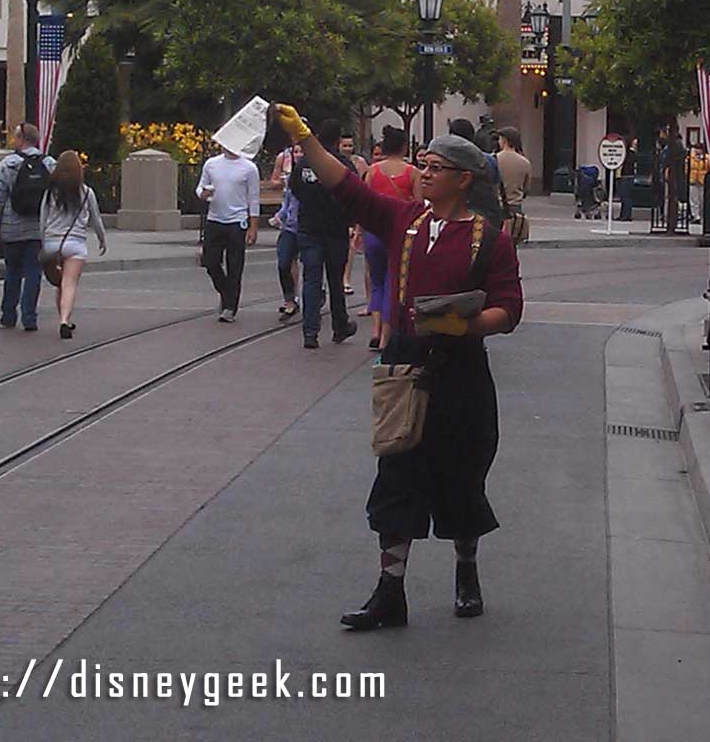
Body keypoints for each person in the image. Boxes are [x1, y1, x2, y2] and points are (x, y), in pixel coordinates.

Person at [273, 104, 522, 631]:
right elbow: (349, 189)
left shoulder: (490, 239)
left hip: (460, 371)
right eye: (423, 165)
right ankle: (391, 591)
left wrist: (469, 325)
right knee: (396, 476)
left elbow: (509, 308)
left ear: (463, 179)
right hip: (406, 366)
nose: (424, 173)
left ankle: (466, 571)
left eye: (434, 167)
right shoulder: (404, 220)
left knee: (461, 474)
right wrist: (307, 138)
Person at [288, 120, 360, 349]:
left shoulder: (305, 163)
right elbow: (354, 193)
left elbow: (295, 189)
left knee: (311, 279)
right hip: (336, 229)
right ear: (339, 140)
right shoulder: (343, 164)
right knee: (335, 280)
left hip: (309, 228)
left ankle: (310, 332)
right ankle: (340, 325)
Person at [0, 124, 56, 332]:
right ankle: (29, 317)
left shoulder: (8, 164)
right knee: (34, 272)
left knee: (13, 270)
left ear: (21, 139)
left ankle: (8, 314)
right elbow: (56, 197)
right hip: (38, 227)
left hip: (12, 226)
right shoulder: (49, 164)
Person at [38, 151, 107, 340]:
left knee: (59, 282)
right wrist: (102, 239)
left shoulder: (51, 191)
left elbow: (43, 219)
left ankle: (64, 318)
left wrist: (42, 241)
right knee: (69, 283)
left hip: (52, 243)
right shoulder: (86, 192)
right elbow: (96, 218)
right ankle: (64, 320)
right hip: (76, 244)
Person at [363, 127, 416, 351]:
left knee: (376, 281)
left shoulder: (373, 171)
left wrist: (358, 231)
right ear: (405, 147)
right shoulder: (413, 173)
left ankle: (375, 331)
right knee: (392, 282)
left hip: (373, 232)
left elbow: (362, 203)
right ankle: (386, 336)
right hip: (399, 233)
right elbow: (418, 206)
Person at [197, 145, 260, 322]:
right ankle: (226, 291)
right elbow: (200, 188)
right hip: (215, 219)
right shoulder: (212, 164)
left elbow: (253, 198)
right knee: (210, 261)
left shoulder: (249, 168)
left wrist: (253, 227)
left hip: (237, 221)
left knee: (235, 265)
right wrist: (204, 193)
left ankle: (230, 306)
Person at [449, 118, 504, 230]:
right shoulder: (489, 160)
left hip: (456, 214)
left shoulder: (448, 160)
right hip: (486, 215)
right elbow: (495, 188)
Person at [268, 144, 303, 322]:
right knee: (284, 262)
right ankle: (290, 299)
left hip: (309, 228)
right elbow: (287, 203)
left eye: (301, 151)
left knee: (313, 265)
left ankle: (317, 293)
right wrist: (279, 217)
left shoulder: (314, 173)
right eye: (295, 152)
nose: (298, 155)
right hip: (290, 227)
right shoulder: (290, 179)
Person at [340, 133, 368, 297]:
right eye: (345, 145)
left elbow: (365, 185)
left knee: (351, 246)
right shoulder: (334, 161)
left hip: (354, 206)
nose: (348, 149)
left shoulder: (360, 162)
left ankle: (346, 279)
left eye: (350, 145)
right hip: (339, 205)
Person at [493, 128, 532, 220]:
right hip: (516, 206)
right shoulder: (525, 162)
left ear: (504, 140)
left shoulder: (494, 159)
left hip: (497, 205)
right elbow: (527, 188)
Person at [658, 126, 687, 233]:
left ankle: (670, 216)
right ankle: (670, 215)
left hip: (673, 175)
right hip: (674, 175)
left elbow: (668, 160)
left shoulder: (673, 145)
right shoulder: (673, 145)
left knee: (670, 196)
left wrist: (666, 170)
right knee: (669, 196)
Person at [687, 142, 710, 224]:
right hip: (693, 180)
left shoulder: (707, 158)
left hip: (703, 181)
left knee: (702, 199)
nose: (697, 151)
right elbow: (687, 168)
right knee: (693, 200)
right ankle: (695, 216)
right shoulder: (691, 158)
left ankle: (702, 216)